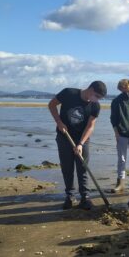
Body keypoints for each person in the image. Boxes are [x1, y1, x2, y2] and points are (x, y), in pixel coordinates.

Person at [48, 81, 107, 210]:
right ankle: (70, 196)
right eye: (96, 96)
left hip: (83, 138)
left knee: (83, 167)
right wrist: (59, 122)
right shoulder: (69, 93)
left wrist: (80, 143)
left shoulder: (95, 105)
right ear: (90, 89)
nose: (97, 100)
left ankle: (85, 198)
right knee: (67, 167)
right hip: (64, 137)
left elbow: (90, 126)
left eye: (99, 98)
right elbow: (51, 105)